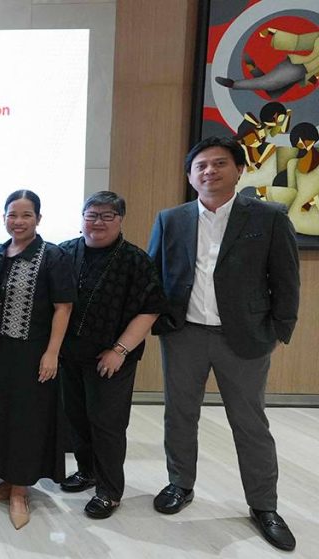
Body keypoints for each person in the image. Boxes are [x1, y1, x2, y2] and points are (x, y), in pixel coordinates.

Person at [148, 136, 300, 551]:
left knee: (250, 424)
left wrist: (279, 330)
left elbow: (286, 278)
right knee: (180, 415)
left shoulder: (268, 216)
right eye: (200, 166)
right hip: (184, 334)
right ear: (190, 175)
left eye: (219, 164)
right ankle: (180, 484)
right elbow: (153, 276)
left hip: (245, 337)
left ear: (239, 170)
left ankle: (264, 506)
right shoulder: (171, 219)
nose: (209, 171)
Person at [0, 190, 73, 530]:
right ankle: (6, 479)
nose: (18, 221)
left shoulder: (52, 256)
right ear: (4, 218)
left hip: (32, 351)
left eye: (26, 215)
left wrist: (52, 352)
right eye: (12, 215)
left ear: (38, 219)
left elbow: (63, 307)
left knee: (26, 419)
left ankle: (20, 490)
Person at [57, 191, 165, 519]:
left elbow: (151, 309)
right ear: (82, 218)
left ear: (120, 220)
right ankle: (87, 471)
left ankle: (109, 491)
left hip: (112, 357)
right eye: (92, 215)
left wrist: (119, 350)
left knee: (107, 424)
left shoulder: (135, 260)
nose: (98, 222)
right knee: (76, 417)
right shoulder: (65, 253)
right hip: (69, 354)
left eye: (107, 216)